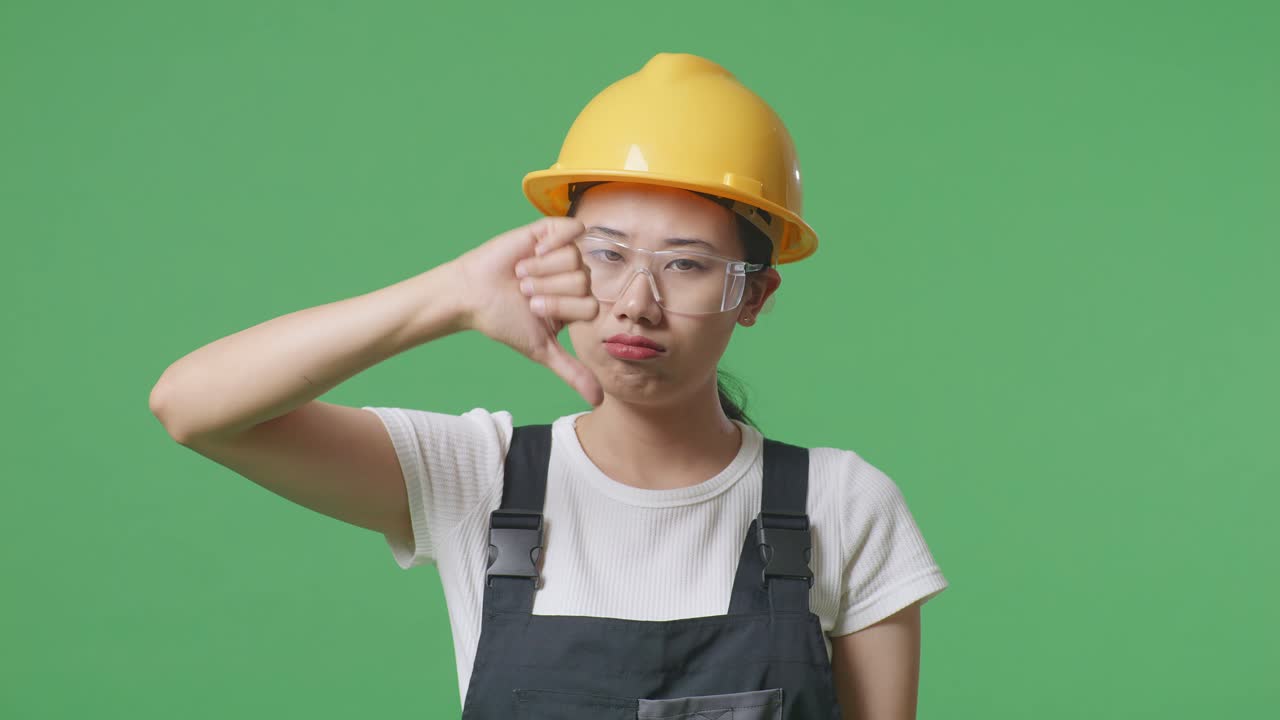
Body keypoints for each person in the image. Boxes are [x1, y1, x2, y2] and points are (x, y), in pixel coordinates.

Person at [150, 53, 948, 719]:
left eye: (686, 264)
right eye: (604, 253)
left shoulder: (842, 505)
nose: (637, 301)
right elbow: (192, 408)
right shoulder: (476, 475)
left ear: (755, 295)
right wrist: (451, 296)